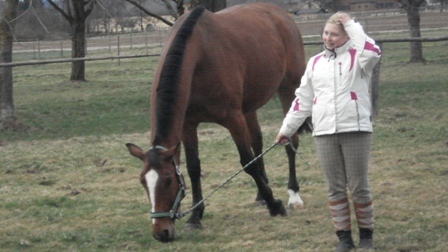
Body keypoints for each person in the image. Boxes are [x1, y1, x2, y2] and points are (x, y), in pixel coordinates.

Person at [275, 12, 381, 252]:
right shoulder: (315, 63)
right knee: (334, 188)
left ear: (346, 36)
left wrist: (351, 24)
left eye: (334, 34)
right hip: (324, 132)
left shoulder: (361, 58)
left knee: (358, 187)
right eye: (326, 33)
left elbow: (373, 51)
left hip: (355, 129)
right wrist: (286, 129)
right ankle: (344, 238)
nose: (329, 38)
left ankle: (366, 238)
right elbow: (302, 100)